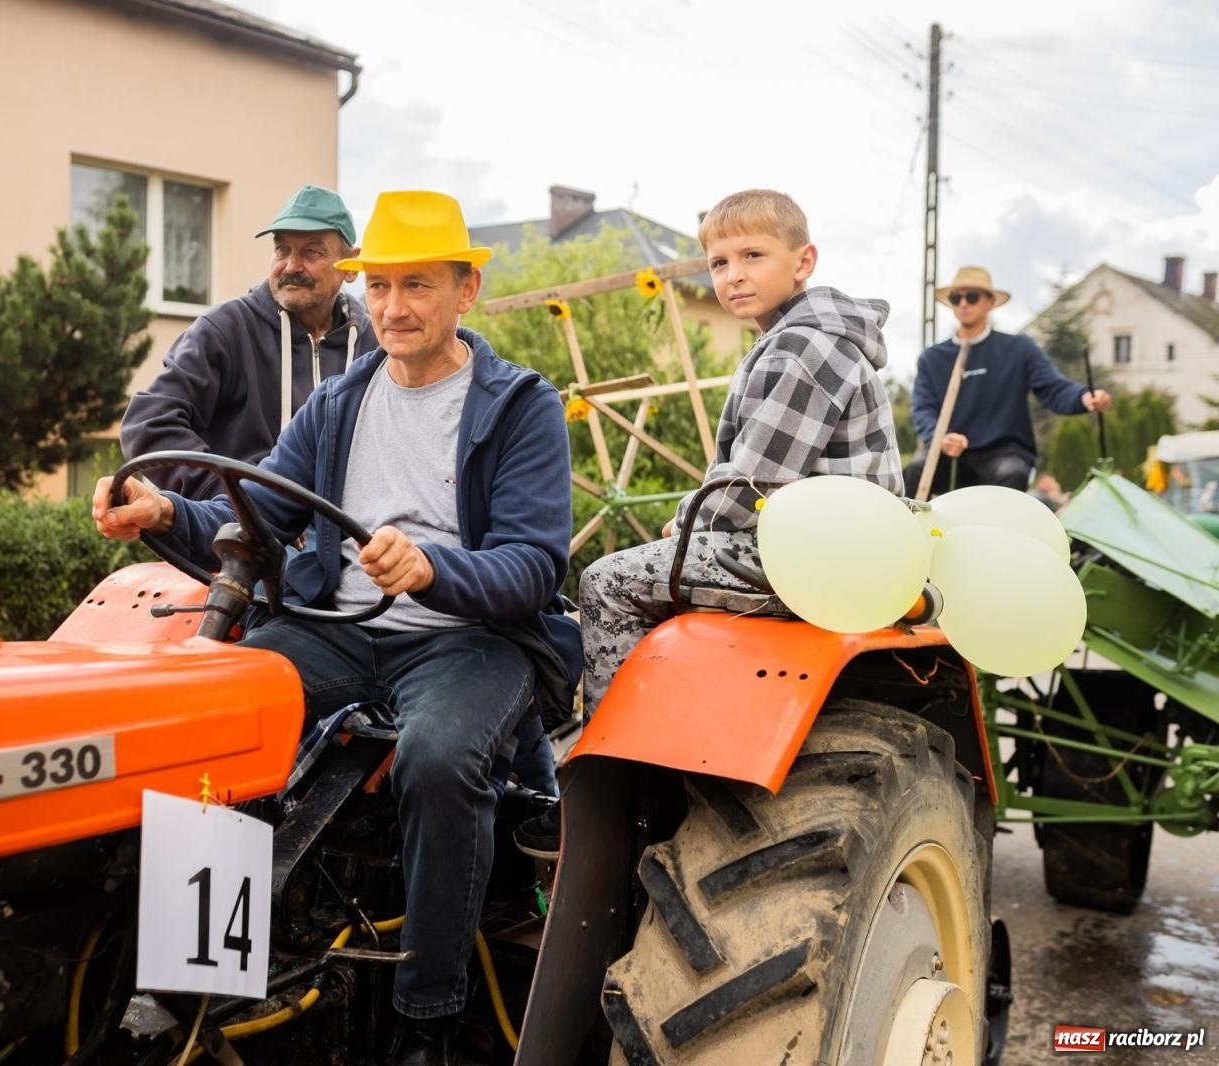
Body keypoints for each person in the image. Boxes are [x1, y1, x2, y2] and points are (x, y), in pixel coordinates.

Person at [93, 190, 580, 1066]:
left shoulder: (521, 408)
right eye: (381, 285)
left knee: (439, 758)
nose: (393, 307)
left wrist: (437, 568)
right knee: (208, 707)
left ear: (465, 292)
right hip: (341, 627)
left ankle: (428, 1019)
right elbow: (257, 521)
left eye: (418, 286)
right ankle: (184, 980)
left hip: (470, 637)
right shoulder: (338, 404)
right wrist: (164, 507)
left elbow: (535, 568)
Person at [514, 188, 903, 859]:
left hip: (816, 559)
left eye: (753, 255)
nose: (733, 275)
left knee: (607, 582)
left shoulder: (804, 349)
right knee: (652, 572)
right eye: (718, 263)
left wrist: (685, 528)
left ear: (803, 260)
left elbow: (755, 481)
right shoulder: (806, 339)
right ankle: (662, 745)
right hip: (816, 546)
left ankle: (611, 784)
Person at [119, 184, 380, 498]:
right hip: (250, 537)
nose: (291, 266)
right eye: (282, 249)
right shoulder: (225, 330)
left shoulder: (375, 344)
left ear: (350, 265)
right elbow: (146, 424)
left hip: (346, 534)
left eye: (311, 252)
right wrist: (235, 498)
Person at [905, 265, 1112, 496]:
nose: (963, 303)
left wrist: (1084, 397)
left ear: (990, 301)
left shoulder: (1019, 349)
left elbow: (1053, 388)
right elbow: (923, 409)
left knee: (1012, 473)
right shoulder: (932, 358)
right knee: (914, 471)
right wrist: (941, 438)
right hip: (950, 452)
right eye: (956, 298)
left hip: (1002, 453)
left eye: (971, 296)